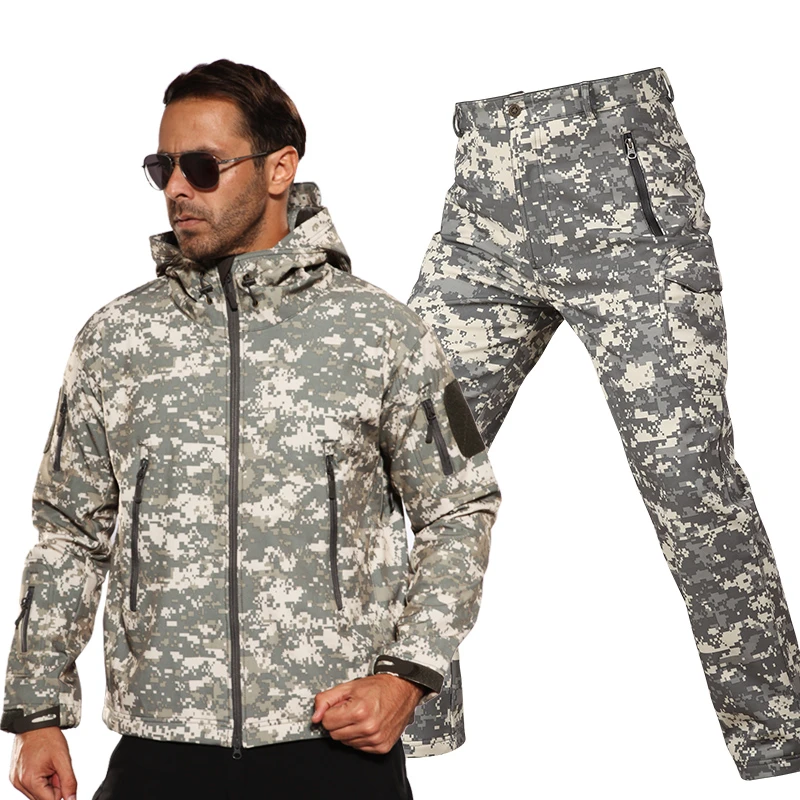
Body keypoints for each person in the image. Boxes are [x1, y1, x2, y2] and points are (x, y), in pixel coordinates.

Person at [2, 59, 501, 800]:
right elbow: (70, 532)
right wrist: (36, 712)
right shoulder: (115, 340)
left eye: (202, 167)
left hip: (334, 746)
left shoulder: (382, 331)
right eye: (163, 167)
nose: (177, 188)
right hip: (159, 750)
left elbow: (460, 507)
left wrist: (407, 676)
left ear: (279, 169)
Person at [405, 65, 800, 781]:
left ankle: (781, 739)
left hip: (620, 172)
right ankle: (407, 734)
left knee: (687, 478)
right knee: (397, 454)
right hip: (482, 190)